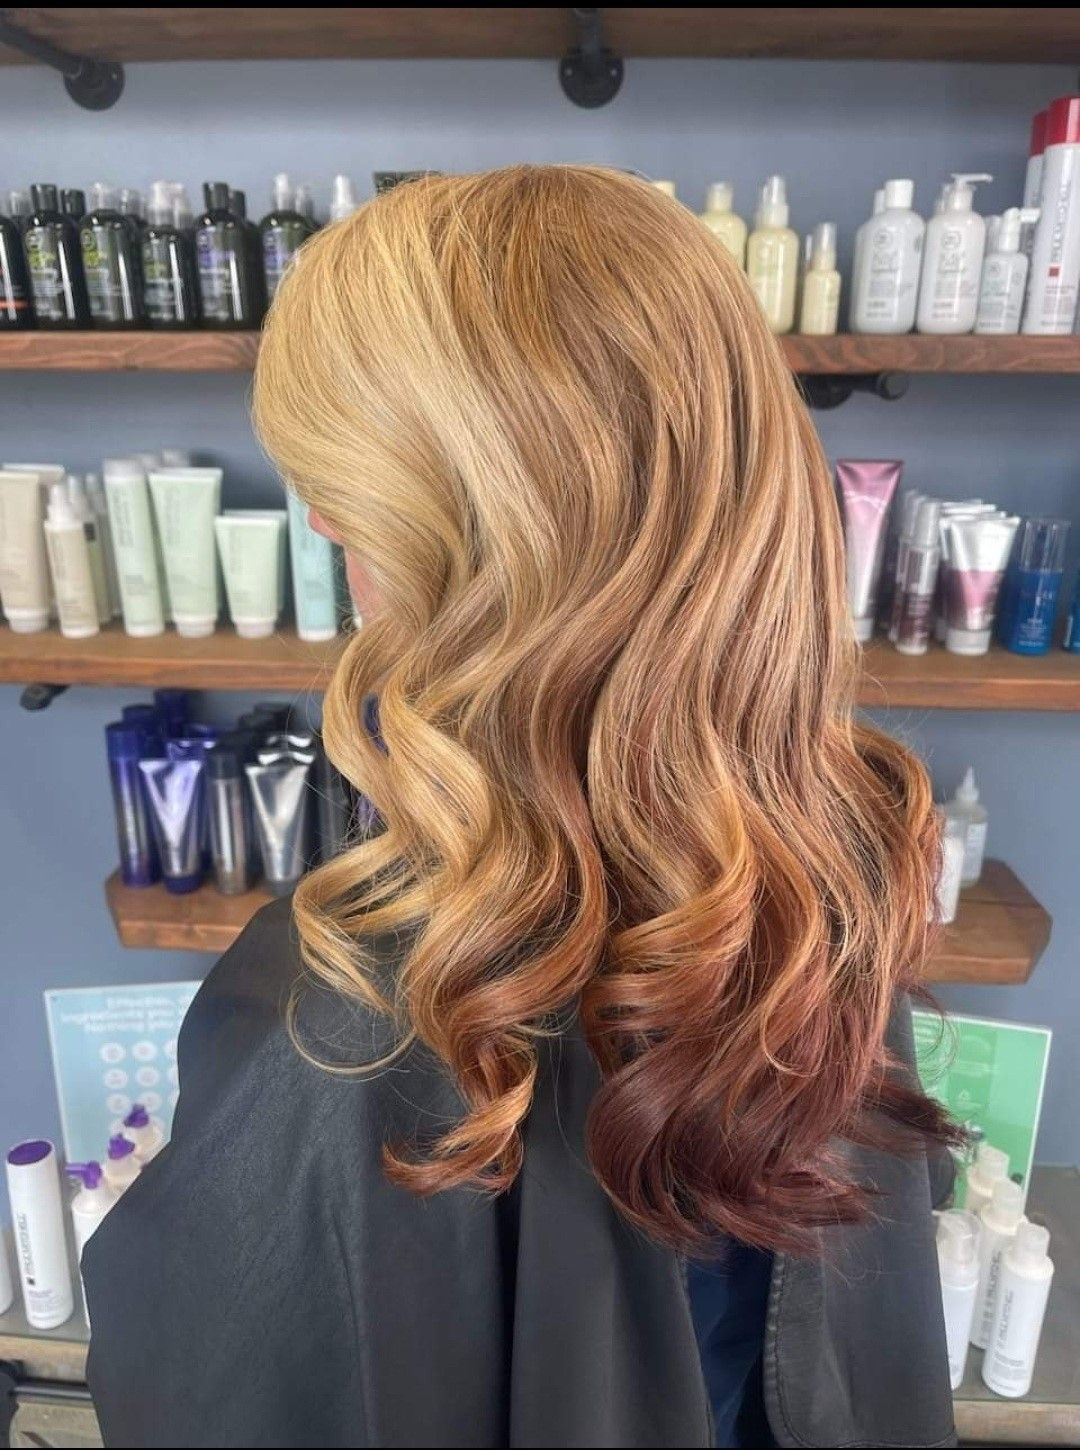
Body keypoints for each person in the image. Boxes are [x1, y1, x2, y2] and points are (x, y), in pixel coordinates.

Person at [85, 166, 960, 1449]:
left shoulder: (350, 1012)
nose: (323, 518)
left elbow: (213, 1387)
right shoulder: (824, 887)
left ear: (434, 533)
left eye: (339, 494)